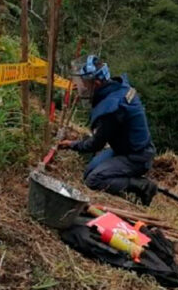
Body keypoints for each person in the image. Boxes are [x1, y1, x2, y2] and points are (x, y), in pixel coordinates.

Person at [57, 55, 158, 205]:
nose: (81, 87)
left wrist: (72, 145)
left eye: (84, 83)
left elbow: (95, 144)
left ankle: (142, 186)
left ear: (96, 83)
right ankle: (124, 176)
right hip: (124, 149)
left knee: (94, 180)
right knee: (88, 173)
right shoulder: (118, 88)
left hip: (136, 157)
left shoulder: (112, 108)